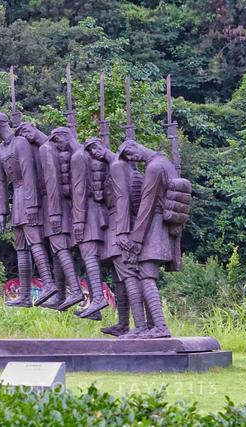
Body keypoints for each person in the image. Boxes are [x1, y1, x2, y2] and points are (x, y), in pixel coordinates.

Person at [0, 112, 57, 307]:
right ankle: (25, 296)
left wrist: (33, 204)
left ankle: (49, 284)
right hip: (16, 198)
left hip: (28, 195)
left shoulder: (21, 143)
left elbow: (29, 174)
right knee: (20, 247)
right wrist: (1, 212)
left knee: (35, 242)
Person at [15, 123, 84, 310]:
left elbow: (52, 184)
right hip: (54, 205)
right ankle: (61, 296)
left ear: (35, 128)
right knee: (57, 251)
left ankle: (75, 292)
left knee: (60, 247)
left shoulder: (47, 148)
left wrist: (54, 213)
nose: (26, 136)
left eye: (27, 131)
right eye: (22, 134)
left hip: (54, 206)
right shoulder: (43, 148)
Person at [85, 137, 148, 337]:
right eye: (90, 151)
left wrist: (122, 232)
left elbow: (123, 200)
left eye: (95, 148)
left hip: (120, 226)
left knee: (129, 276)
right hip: (116, 223)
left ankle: (140, 326)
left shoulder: (117, 166)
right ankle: (123, 324)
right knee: (120, 278)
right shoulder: (118, 167)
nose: (94, 153)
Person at [117, 140, 178, 338]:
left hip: (154, 227)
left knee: (146, 276)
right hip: (161, 226)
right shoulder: (165, 162)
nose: (132, 160)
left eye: (130, 155)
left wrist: (136, 239)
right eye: (127, 159)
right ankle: (153, 327)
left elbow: (147, 205)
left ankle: (160, 327)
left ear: (135, 147)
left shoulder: (153, 167)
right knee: (146, 275)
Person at [51, 128, 109, 318]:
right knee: (89, 257)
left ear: (65, 138)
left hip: (87, 214)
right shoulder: (86, 155)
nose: (57, 146)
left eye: (57, 141)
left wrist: (78, 221)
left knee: (89, 256)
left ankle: (98, 299)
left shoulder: (77, 157)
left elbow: (79, 192)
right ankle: (95, 307)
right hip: (95, 212)